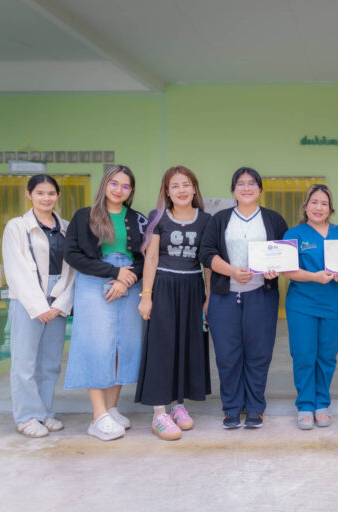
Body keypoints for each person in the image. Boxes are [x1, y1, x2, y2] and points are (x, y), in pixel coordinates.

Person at [199, 167, 287, 430]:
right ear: (233, 189)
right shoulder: (220, 219)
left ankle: (256, 408)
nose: (246, 188)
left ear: (260, 189)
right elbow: (206, 253)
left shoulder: (273, 219)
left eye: (252, 183)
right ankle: (232, 408)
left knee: (259, 354)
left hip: (262, 295)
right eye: (240, 183)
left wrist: (276, 269)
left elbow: (285, 254)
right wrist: (231, 271)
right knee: (227, 355)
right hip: (225, 297)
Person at [64, 165, 147, 441]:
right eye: (114, 183)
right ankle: (97, 416)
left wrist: (126, 280)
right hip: (94, 281)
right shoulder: (84, 216)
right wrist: (113, 273)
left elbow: (145, 258)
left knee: (123, 347)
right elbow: (73, 255)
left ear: (131, 191)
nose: (119, 190)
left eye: (125, 186)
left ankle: (111, 409)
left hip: (129, 283)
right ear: (104, 185)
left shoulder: (138, 219)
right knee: (97, 345)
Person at [136, 166, 212, 441]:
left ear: (194, 188)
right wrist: (147, 295)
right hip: (165, 287)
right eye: (175, 185)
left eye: (186, 184)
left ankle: (179, 405)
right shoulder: (158, 217)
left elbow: (208, 264)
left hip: (192, 289)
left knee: (188, 346)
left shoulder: (206, 221)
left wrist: (208, 297)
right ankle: (159, 413)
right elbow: (152, 259)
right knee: (162, 347)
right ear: (167, 191)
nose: (181, 190)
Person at [2, 174, 76, 438]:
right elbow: (16, 270)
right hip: (27, 298)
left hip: (57, 297)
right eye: (40, 193)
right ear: (29, 194)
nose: (46, 198)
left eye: (51, 193)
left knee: (50, 363)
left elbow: (71, 270)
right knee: (25, 362)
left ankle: (45, 413)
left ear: (57, 196)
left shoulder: (66, 227)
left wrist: (60, 302)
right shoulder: (16, 227)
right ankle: (26, 416)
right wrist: (38, 304)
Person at [282, 184, 338, 430]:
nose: (319, 207)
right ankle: (305, 405)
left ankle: (322, 403)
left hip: (333, 302)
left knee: (327, 355)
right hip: (302, 304)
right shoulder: (294, 234)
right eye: (314, 202)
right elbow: (287, 269)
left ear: (330, 208)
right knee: (303, 354)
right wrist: (313, 277)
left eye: (324, 203)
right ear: (306, 206)